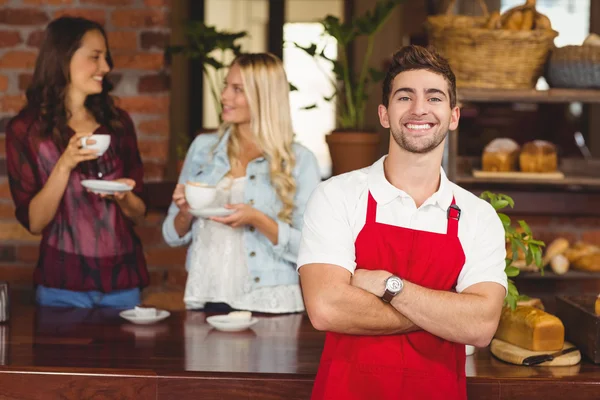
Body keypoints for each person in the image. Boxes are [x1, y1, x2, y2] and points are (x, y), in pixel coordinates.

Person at [297, 45, 507, 399]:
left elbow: (482, 326)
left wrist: (388, 286)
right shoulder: (336, 196)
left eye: (435, 98)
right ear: (384, 113)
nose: (419, 109)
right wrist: (445, 315)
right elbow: (327, 308)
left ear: (454, 116)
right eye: (405, 97)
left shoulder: (479, 217)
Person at [6, 17, 148, 308]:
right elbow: (35, 222)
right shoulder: (26, 130)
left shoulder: (118, 123)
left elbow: (138, 213)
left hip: (123, 284)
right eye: (95, 57)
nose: (106, 68)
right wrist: (64, 164)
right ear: (63, 59)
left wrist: (124, 196)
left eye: (106, 58)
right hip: (61, 286)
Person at [162, 52, 321, 313]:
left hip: (270, 301)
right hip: (207, 296)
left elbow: (310, 248)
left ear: (264, 98)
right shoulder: (203, 148)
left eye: (237, 89)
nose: (224, 96)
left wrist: (257, 219)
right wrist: (184, 211)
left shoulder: (301, 160)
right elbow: (171, 235)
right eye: (226, 85)